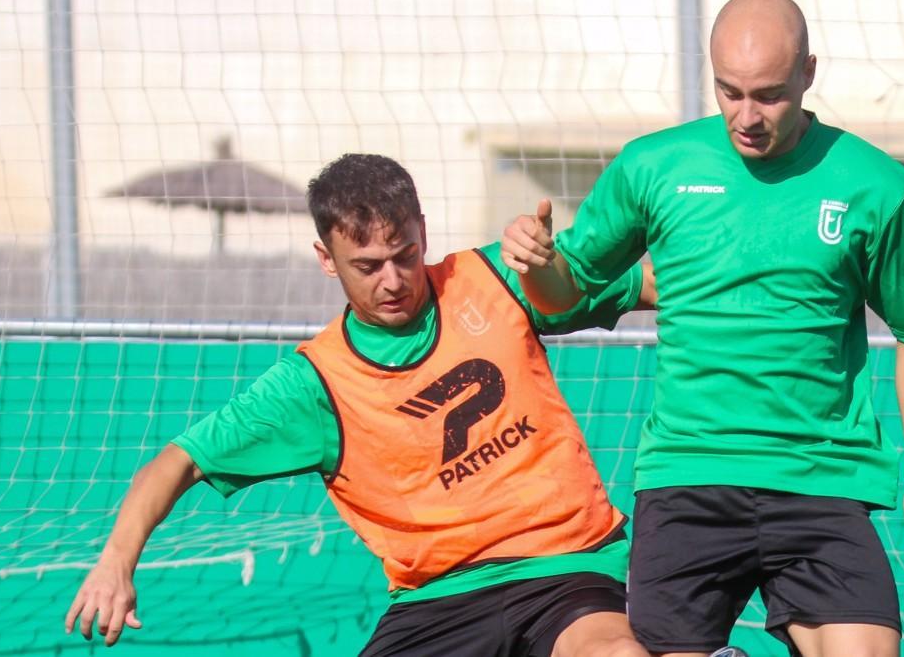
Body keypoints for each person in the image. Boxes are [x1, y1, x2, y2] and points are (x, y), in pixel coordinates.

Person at [501, 0, 904, 657]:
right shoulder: (654, 167)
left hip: (819, 475)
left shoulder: (873, 184)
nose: (746, 115)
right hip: (689, 474)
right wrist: (538, 263)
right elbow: (563, 295)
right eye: (728, 91)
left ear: (808, 73)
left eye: (768, 94)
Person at [64, 153, 656, 657]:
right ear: (327, 259)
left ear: (423, 230)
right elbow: (180, 461)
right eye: (368, 267)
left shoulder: (497, 276)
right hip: (436, 601)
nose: (394, 279)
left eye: (405, 254)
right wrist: (116, 562)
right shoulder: (314, 384)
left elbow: (650, 284)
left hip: (567, 569)